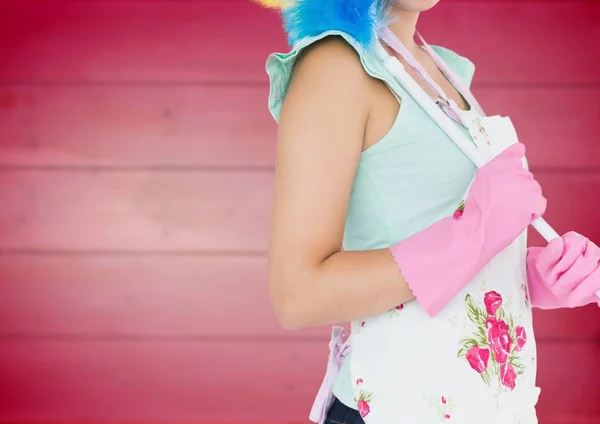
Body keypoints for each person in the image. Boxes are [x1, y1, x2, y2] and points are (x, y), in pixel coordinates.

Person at [255, 0, 600, 423]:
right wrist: (477, 232)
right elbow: (298, 294)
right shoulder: (337, 68)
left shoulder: (440, 70)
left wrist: (529, 277)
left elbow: (423, 234)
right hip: (394, 407)